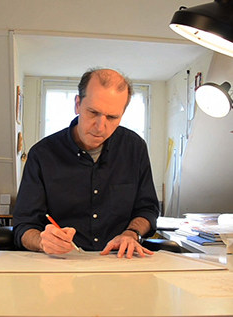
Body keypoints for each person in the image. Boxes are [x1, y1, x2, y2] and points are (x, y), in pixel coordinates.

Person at [13, 68, 159, 258]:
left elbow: (147, 209)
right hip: (61, 264)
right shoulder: (42, 155)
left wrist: (131, 234)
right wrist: (42, 241)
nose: (100, 127)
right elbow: (23, 226)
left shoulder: (134, 148)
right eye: (93, 112)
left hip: (119, 261)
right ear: (78, 104)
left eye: (112, 117)